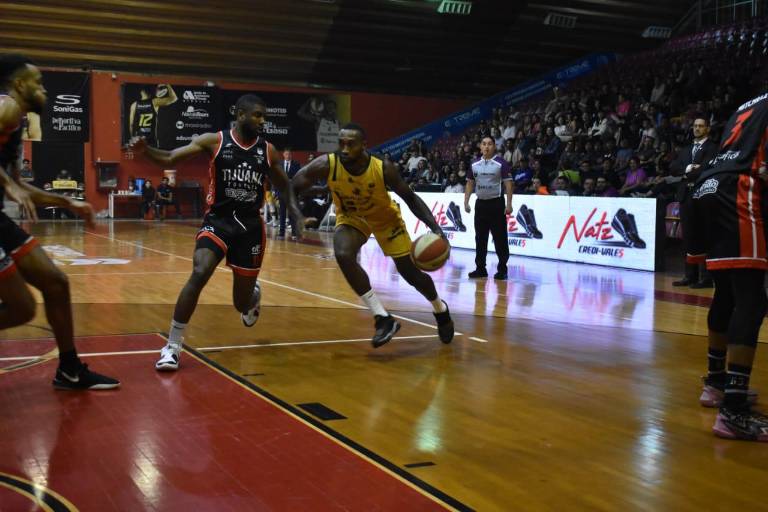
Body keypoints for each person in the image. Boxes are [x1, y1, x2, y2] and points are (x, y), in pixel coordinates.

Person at [128, 94, 303, 371]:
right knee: (200, 271)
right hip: (219, 221)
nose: (262, 121)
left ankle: (252, 297)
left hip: (249, 229)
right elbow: (172, 157)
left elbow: (285, 184)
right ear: (241, 114)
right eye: (257, 115)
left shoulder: (269, 151)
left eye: (264, 116)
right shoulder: (215, 141)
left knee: (239, 303)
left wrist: (294, 213)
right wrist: (146, 150)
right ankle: (172, 346)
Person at [0, 53, 119, 389]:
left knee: (55, 283)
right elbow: (11, 185)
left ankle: (69, 369)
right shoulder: (6, 105)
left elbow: (19, 186)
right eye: (39, 84)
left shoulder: (14, 122)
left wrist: (67, 201)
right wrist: (8, 184)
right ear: (20, 84)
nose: (45, 91)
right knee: (22, 309)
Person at [292, 123, 454, 348]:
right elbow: (292, 187)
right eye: (341, 144)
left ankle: (440, 309)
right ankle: (382, 318)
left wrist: (437, 230)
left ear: (364, 146)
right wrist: (304, 206)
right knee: (343, 253)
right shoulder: (326, 164)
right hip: (352, 218)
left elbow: (411, 198)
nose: (345, 149)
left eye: (351, 144)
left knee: (411, 274)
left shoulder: (382, 167)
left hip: (385, 219)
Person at [687, 91, 768, 441]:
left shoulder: (747, 103)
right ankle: (734, 410)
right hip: (739, 187)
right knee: (751, 298)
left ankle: (717, 383)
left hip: (708, 187)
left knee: (726, 293)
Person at [670, 117, 719, 288]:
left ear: (708, 129)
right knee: (688, 236)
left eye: (701, 126)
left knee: (704, 235)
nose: (697, 128)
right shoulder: (686, 149)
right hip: (685, 195)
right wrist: (688, 169)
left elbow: (707, 169)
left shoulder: (713, 148)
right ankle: (689, 275)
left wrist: (687, 174)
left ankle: (706, 277)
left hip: (702, 195)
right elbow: (673, 167)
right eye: (695, 126)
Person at [463, 136, 513, 280]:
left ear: (494, 146)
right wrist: (466, 202)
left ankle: (502, 269)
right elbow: (470, 184)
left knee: (500, 238)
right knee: (480, 238)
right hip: (481, 204)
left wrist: (509, 204)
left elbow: (509, 184)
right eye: (484, 144)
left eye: (490, 144)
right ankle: (480, 269)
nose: (486, 147)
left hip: (496, 204)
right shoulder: (474, 164)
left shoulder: (500, 163)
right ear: (480, 147)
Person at [277, 148, 301, 239]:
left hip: (292, 193)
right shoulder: (279, 165)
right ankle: (281, 233)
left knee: (292, 214)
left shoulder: (296, 164)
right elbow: (276, 179)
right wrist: (276, 192)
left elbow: (299, 177)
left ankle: (294, 233)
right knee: (282, 214)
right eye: (286, 154)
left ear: (291, 155)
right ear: (283, 155)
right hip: (281, 192)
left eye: (289, 154)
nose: (288, 156)